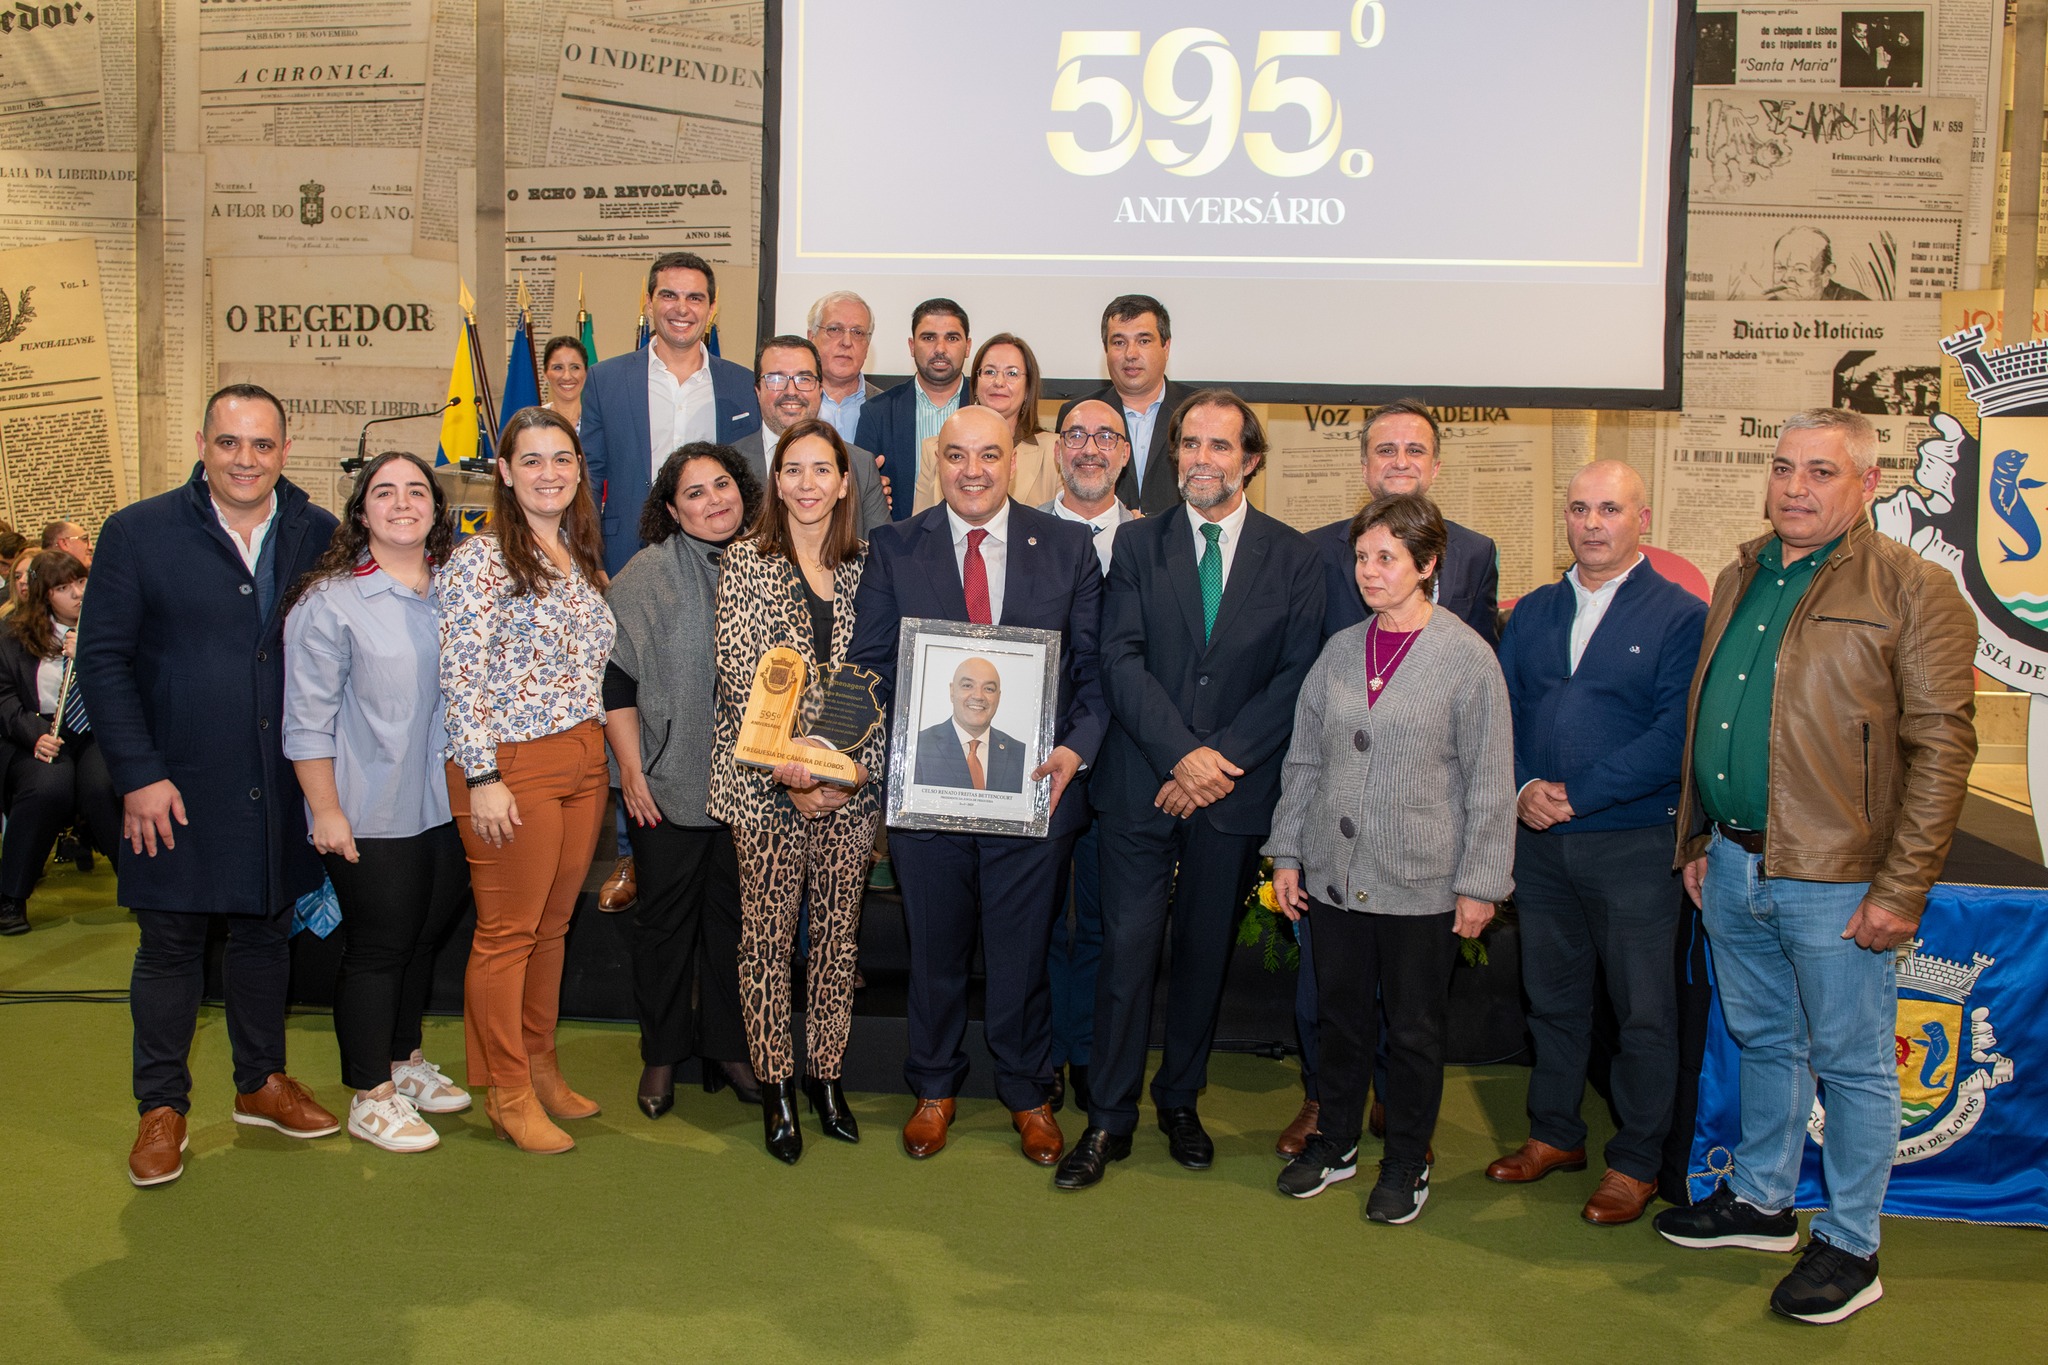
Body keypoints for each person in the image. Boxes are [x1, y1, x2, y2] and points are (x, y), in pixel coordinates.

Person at [1653, 409, 1977, 1324]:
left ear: (1867, 484)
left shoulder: (1913, 587)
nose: (1795, 487)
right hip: (1733, 861)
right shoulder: (1740, 573)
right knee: (1764, 1039)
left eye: (1821, 471)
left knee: (1855, 1063)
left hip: (1837, 878)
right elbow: (1713, 717)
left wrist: (1901, 887)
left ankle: (1851, 1244)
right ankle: (1762, 1200)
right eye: (1784, 466)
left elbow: (1942, 748)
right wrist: (1699, 841)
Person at [1056, 390, 1322, 1191]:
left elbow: (1294, 677)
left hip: (1232, 796)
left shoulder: (1294, 555)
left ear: (1251, 459)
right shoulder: (1137, 544)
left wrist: (1215, 764)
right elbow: (1120, 658)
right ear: (1173, 455)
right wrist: (1180, 757)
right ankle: (1108, 1117)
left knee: (1204, 957)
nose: (1202, 458)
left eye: (1220, 445)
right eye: (1190, 444)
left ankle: (1180, 1101)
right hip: (1142, 784)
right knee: (1125, 954)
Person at [77, 383, 342, 1188]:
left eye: (262, 444)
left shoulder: (318, 531)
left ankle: (261, 1081)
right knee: (170, 945)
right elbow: (103, 661)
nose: (245, 459)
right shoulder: (137, 532)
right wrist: (138, 774)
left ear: (285, 451)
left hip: (278, 781)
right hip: (173, 787)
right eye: (229, 442)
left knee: (266, 934)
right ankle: (161, 1106)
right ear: (202, 444)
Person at [848, 405, 1106, 1168]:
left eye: (988, 454)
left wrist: (1076, 749)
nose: (972, 470)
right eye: (957, 454)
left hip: (1035, 793)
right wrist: (857, 749)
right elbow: (870, 664)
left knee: (1023, 954)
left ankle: (1028, 1091)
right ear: (938, 461)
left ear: (1014, 462)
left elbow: (1093, 670)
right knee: (935, 950)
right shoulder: (895, 546)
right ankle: (933, 1088)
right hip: (928, 796)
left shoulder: (1068, 547)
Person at [1265, 493, 1514, 1221]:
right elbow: (1303, 761)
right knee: (1340, 1019)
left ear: (1427, 564)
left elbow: (1490, 780)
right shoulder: (1341, 650)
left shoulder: (1467, 658)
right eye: (1362, 557)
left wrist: (1480, 883)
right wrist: (1287, 852)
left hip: (1422, 884)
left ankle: (1406, 1160)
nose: (1369, 572)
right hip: (1334, 880)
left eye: (1387, 558)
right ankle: (1336, 1141)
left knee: (1412, 1031)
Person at [1485, 461, 1706, 1224]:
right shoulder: (1535, 610)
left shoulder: (1681, 615)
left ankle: (1636, 1160)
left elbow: (1674, 735)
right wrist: (1522, 787)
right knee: (1551, 997)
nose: (1592, 523)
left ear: (1642, 519)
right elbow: (1500, 710)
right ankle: (1554, 1133)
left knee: (1642, 1011)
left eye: (1609, 508)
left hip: (1633, 846)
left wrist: (1578, 793)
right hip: (1541, 846)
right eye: (1579, 508)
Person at [438, 406, 615, 1155]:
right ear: (505, 473)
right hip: (511, 765)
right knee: (507, 935)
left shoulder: (577, 554)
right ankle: (506, 1091)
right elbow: (461, 673)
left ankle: (541, 1066)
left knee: (553, 927)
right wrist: (481, 773)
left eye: (562, 458)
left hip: (583, 759)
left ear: (579, 470)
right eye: (532, 460)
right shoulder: (480, 559)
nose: (550, 473)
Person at [283, 452, 472, 1154]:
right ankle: (370, 1092)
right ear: (361, 511)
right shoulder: (330, 602)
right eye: (384, 492)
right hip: (369, 807)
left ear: (436, 509)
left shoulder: (455, 591)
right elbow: (306, 720)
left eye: (416, 491)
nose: (402, 503)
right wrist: (326, 811)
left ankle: (402, 1058)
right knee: (379, 947)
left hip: (444, 803)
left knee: (423, 937)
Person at [708, 418, 886, 1163]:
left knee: (839, 940)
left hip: (850, 789)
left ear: (845, 484)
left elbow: (879, 673)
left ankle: (826, 1078)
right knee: (767, 942)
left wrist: (840, 768)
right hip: (765, 786)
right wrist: (790, 769)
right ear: (775, 482)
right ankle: (777, 1086)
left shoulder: (871, 566)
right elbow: (740, 674)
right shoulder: (745, 562)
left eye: (822, 470)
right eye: (794, 469)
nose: (808, 483)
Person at [604, 440, 763, 1120]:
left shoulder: (773, 563)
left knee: (735, 927)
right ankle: (663, 1053)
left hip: (754, 788)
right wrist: (631, 772)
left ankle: (729, 1049)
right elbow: (615, 683)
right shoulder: (646, 574)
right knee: (665, 929)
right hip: (666, 784)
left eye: (722, 485)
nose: (713, 500)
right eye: (694, 492)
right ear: (671, 509)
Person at [1038, 400, 1136, 1112]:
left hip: (1126, 762)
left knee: (1105, 921)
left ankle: (1091, 1054)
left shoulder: (1155, 540)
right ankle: (1044, 1052)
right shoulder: (1021, 533)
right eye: (1075, 434)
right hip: (1038, 761)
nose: (1090, 448)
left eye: (1106, 436)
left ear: (1126, 454)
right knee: (1039, 916)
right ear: (1056, 450)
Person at [582, 251, 762, 577]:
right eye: (669, 295)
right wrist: (590, 560)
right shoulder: (605, 380)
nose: (682, 308)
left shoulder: (742, 385)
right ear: (648, 303)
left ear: (711, 308)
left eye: (695, 298)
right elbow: (588, 478)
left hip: (723, 558)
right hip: (625, 554)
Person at [0, 551, 118, 936]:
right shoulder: (13, 634)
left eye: (81, 582)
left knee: (102, 787)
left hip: (97, 729)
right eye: (64, 588)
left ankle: (143, 887)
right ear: (44, 595)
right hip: (41, 730)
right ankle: (11, 896)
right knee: (47, 787)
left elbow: (131, 681)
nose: (78, 593)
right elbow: (3, 696)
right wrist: (33, 734)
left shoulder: (109, 623)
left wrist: (88, 656)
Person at [1054, 295, 1194, 516]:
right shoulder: (1078, 414)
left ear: (1166, 347)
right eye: (1119, 343)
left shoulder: (1197, 410)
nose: (1131, 354)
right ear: (1106, 350)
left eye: (1144, 341)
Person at [734, 335, 890, 530]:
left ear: (820, 390)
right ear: (758, 391)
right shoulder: (728, 465)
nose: (791, 391)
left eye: (804, 379)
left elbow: (881, 545)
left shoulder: (860, 465)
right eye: (776, 379)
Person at [913, 334, 1060, 514]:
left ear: (1028, 387)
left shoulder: (1055, 452)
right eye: (989, 372)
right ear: (975, 384)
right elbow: (921, 525)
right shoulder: (933, 449)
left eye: (1012, 373)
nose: (999, 382)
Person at [855, 298, 971, 520]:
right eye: (928, 338)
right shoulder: (877, 413)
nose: (940, 349)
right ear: (911, 346)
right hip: (902, 538)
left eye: (952, 338)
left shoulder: (986, 408)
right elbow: (862, 495)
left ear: (967, 347)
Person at [912, 656, 1027, 791]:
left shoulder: (1021, 755)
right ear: (952, 691)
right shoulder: (917, 748)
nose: (978, 696)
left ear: (999, 697)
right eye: (967, 686)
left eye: (989, 689)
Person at [807, 290, 881, 447]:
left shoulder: (887, 408)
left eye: (858, 332)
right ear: (811, 337)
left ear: (867, 346)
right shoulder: (791, 402)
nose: (846, 342)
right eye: (834, 329)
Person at [1765, 226, 1869, 301]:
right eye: (1780, 268)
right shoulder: (1769, 305)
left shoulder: (1855, 302)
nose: (1785, 278)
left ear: (1826, 274)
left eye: (1800, 269)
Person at [540, 335, 589, 432]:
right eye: (558, 367)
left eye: (575, 367)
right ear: (545, 374)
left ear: (586, 372)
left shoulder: (600, 422)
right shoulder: (533, 423)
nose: (567, 377)